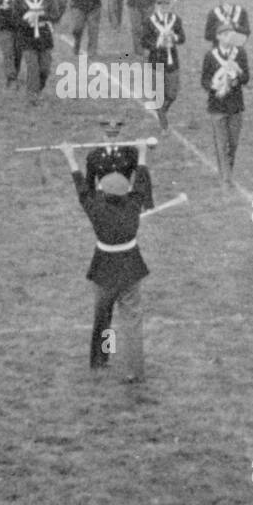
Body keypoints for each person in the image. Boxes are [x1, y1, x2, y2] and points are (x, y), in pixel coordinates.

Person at [57, 138, 153, 383]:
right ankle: (135, 371)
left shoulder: (95, 208)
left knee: (103, 316)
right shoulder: (134, 204)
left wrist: (69, 156)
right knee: (132, 322)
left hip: (104, 268)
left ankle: (102, 360)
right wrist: (142, 153)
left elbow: (81, 187)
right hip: (131, 266)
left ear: (105, 193)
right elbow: (141, 181)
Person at [201, 21, 250, 188]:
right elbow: (204, 80)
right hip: (217, 106)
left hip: (235, 105)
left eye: (231, 34)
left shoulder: (240, 53)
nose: (230, 37)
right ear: (219, 37)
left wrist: (237, 76)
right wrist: (214, 86)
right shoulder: (210, 55)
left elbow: (246, 77)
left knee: (233, 143)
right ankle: (226, 179)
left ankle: (228, 171)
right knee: (221, 144)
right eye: (226, 34)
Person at [85, 117, 154, 210]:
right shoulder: (94, 155)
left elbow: (143, 177)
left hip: (126, 198)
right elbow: (89, 183)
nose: (112, 139)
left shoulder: (130, 152)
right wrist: (90, 205)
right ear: (104, 136)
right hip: (103, 200)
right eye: (109, 136)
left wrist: (148, 204)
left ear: (120, 135)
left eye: (115, 135)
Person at [142, 0, 184, 130]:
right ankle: (163, 124)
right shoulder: (149, 21)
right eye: (161, 3)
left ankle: (162, 112)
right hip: (156, 61)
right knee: (158, 95)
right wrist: (159, 42)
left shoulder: (175, 20)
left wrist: (173, 37)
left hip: (172, 61)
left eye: (166, 3)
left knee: (172, 94)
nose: (164, 6)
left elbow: (182, 38)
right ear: (156, 5)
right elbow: (144, 41)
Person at [17, 0, 57, 105]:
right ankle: (32, 95)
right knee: (32, 66)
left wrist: (40, 15)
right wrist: (27, 20)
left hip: (44, 36)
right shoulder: (20, 0)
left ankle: (37, 89)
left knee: (45, 68)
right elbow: (15, 20)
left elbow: (55, 15)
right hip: (28, 38)